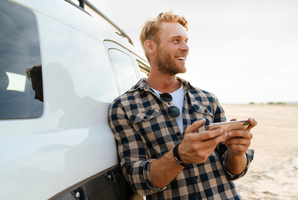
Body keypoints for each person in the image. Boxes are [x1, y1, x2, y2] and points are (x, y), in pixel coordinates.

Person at [108, 11, 257, 200]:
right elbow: (137, 181)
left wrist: (237, 153)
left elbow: (234, 172)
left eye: (186, 40)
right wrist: (179, 156)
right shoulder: (124, 107)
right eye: (176, 40)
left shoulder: (208, 100)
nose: (186, 47)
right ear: (151, 46)